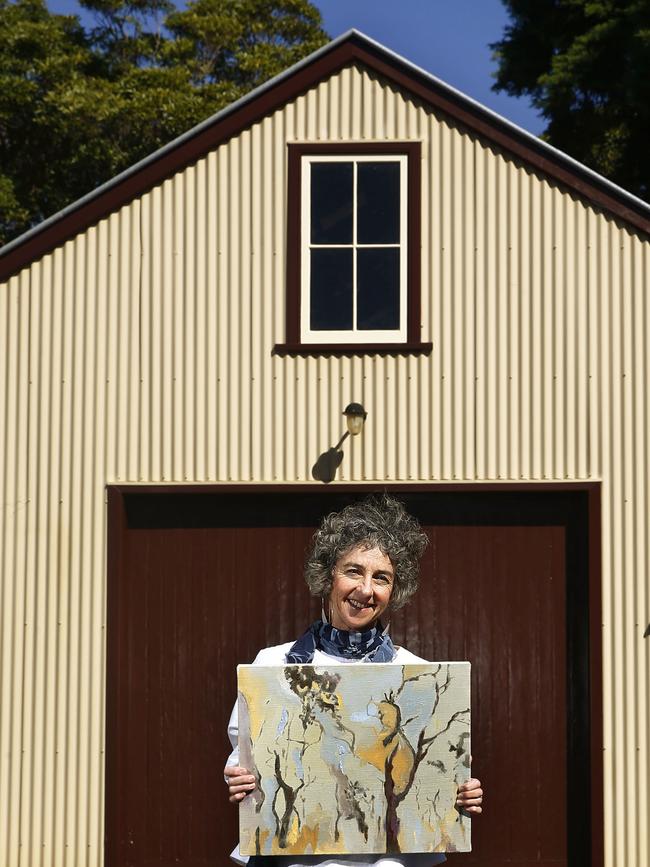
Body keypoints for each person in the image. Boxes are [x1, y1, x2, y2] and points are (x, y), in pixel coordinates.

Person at [224, 494, 484, 866]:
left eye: (382, 577)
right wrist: (238, 780)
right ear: (328, 574)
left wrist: (461, 794)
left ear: (394, 590)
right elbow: (244, 762)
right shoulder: (273, 666)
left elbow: (439, 777)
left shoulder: (419, 676)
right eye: (354, 571)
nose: (366, 589)